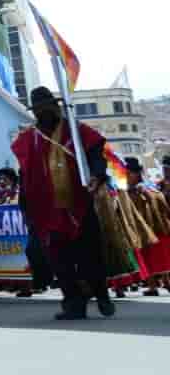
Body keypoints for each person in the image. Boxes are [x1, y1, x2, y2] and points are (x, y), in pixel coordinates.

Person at [12, 86, 113, 320]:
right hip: (47, 211)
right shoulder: (29, 138)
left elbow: (97, 156)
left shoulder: (76, 132)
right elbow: (25, 174)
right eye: (38, 109)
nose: (42, 112)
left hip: (80, 204)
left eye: (46, 107)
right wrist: (25, 206)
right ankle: (73, 303)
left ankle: (101, 293)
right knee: (60, 260)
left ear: (56, 106)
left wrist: (97, 176)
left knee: (91, 255)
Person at [124, 158, 170, 295]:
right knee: (152, 256)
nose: (126, 176)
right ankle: (158, 284)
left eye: (128, 173)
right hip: (153, 227)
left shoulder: (142, 189)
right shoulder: (150, 186)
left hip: (151, 228)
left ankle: (158, 284)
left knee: (155, 255)